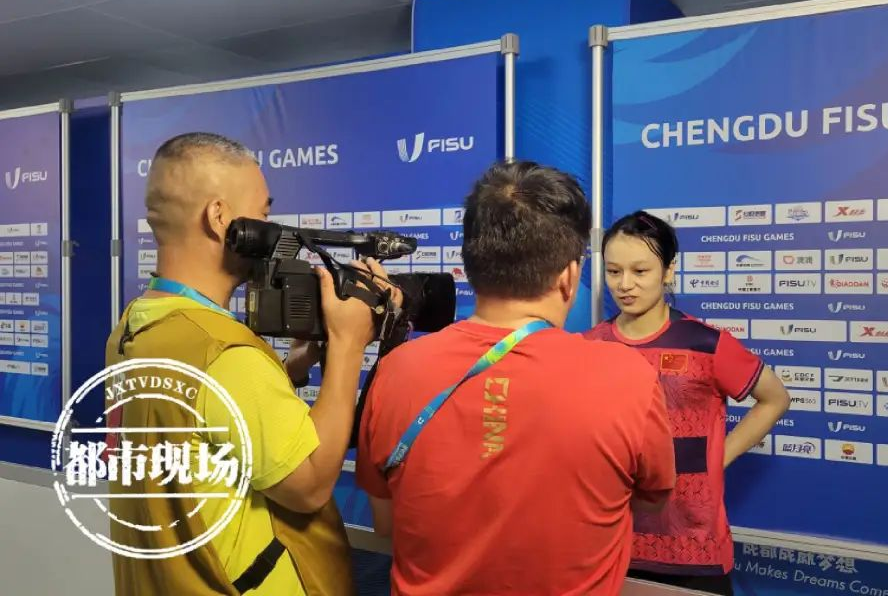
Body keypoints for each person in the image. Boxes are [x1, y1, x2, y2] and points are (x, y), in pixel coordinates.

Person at [354, 161, 677, 595]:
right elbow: (654, 498)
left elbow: (386, 523)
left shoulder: (397, 370)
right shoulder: (627, 376)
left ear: (469, 265)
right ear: (569, 276)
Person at [104, 132, 396, 595]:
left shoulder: (136, 327)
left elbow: (208, 425)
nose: (270, 227)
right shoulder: (225, 354)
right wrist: (347, 343)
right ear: (221, 217)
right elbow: (309, 485)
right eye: (262, 213)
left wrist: (290, 370)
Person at [586, 210, 792, 595]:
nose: (625, 284)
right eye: (614, 271)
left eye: (640, 271)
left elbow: (774, 399)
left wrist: (717, 457)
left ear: (668, 271)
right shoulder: (590, 346)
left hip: (694, 549)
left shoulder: (705, 343)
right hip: (611, 546)